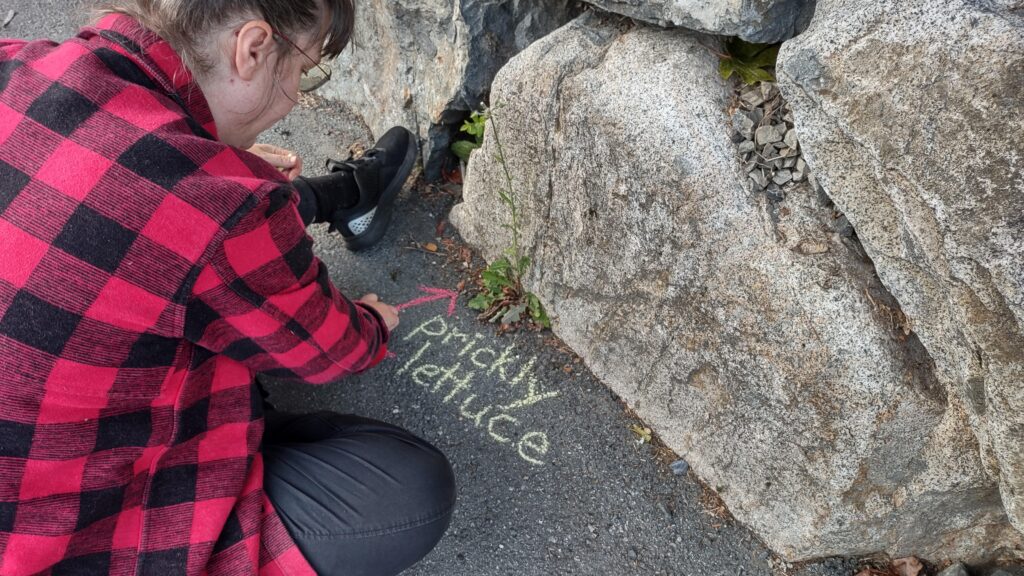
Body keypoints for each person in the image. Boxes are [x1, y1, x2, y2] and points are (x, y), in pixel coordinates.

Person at [0, 0, 456, 574]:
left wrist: (221, 164)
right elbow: (334, 350)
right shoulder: (219, 204)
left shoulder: (22, 64)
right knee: (408, 493)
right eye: (303, 71)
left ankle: (347, 199)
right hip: (64, 540)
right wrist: (371, 323)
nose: (295, 92)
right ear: (253, 48)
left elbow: (125, 196)